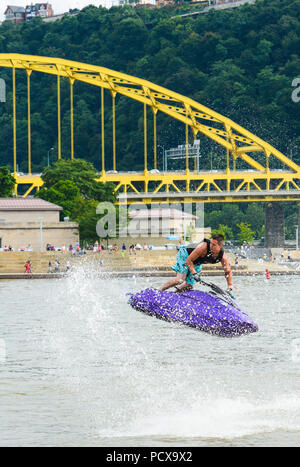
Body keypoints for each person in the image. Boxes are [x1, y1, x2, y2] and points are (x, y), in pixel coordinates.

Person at [160, 235, 233, 295]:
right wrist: (194, 274)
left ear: (220, 246)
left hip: (196, 263)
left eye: (213, 245)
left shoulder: (222, 257)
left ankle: (174, 295)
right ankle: (159, 291)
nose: (210, 246)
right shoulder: (203, 247)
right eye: (210, 243)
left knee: (189, 285)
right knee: (180, 280)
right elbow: (189, 260)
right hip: (185, 255)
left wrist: (230, 286)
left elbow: (228, 271)